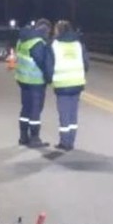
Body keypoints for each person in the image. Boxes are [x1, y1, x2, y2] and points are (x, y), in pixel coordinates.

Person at [49, 20, 89, 151]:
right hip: (77, 82)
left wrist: (50, 79)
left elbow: (49, 64)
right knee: (73, 113)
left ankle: (64, 142)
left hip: (62, 84)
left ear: (59, 31)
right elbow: (86, 63)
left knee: (64, 114)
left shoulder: (55, 44)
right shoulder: (78, 43)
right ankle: (71, 141)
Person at [13, 18, 53, 147]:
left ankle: (23, 137)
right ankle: (35, 138)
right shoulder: (38, 42)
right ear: (46, 30)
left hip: (23, 79)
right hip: (35, 81)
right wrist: (49, 77)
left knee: (26, 107)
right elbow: (42, 62)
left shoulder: (22, 39)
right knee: (36, 109)